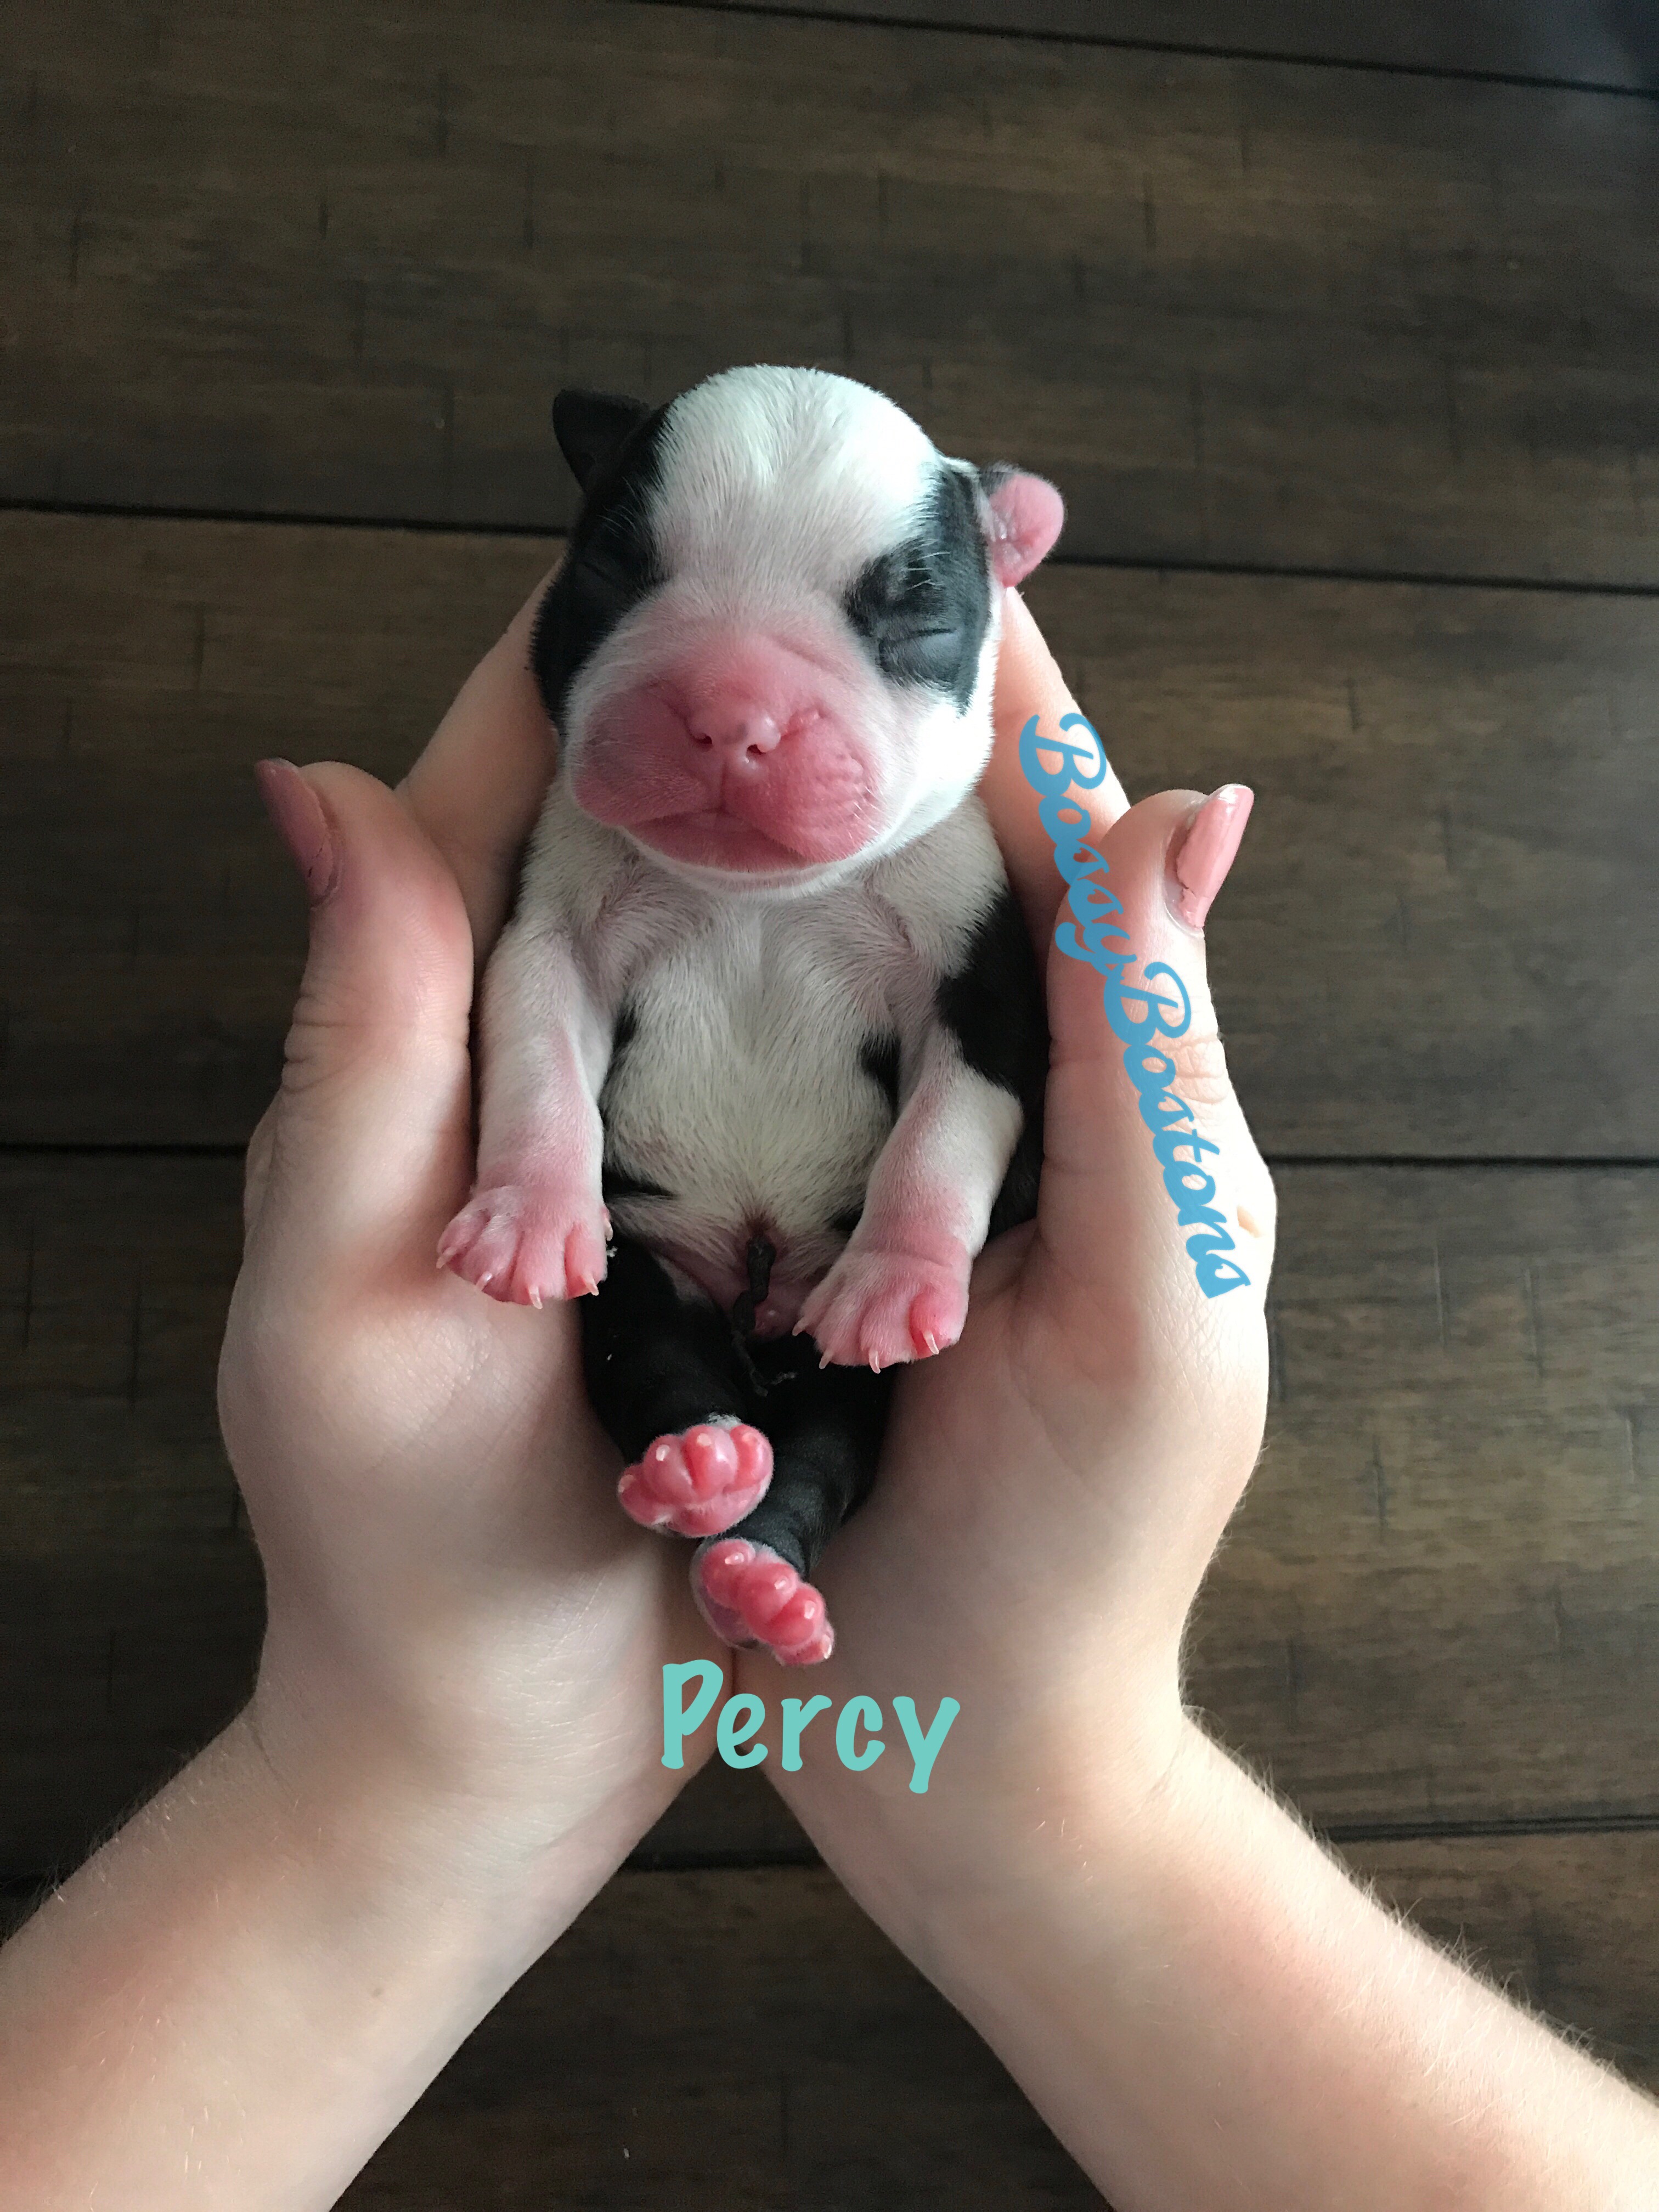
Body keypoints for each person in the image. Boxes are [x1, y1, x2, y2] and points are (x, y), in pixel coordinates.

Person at [1, 578, 1654, 2212]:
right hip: (645, 1244)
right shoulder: (592, 847)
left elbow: (977, 1059)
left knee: (843, 1405)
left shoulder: (942, 863)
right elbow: (548, 987)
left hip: (847, 1282)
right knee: (645, 1341)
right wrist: (1055, 1799)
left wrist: (401, 1770)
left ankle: (771, 1520)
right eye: (666, 608)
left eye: (869, 632)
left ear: (957, 650)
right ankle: (715, 1470)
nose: (742, 720)